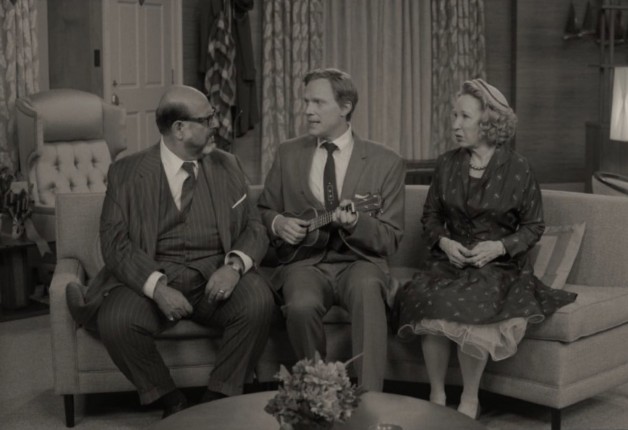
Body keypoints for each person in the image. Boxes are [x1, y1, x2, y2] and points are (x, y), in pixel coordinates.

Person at [66, 85, 275, 418]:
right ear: (179, 129)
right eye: (207, 119)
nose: (216, 125)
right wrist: (157, 287)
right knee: (116, 320)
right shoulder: (126, 173)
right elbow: (115, 243)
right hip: (153, 274)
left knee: (258, 301)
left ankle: (217, 396)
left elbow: (254, 227)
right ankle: (170, 400)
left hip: (214, 274)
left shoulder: (228, 164)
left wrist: (234, 267)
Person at [395, 79, 577, 419]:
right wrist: (445, 242)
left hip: (498, 266)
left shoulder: (519, 168)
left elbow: (534, 226)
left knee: (474, 305)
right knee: (430, 300)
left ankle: (469, 398)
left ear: (489, 121)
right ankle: (436, 396)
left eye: (464, 116)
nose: (455, 124)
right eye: (454, 115)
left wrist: (499, 247)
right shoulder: (446, 163)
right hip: (448, 262)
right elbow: (430, 216)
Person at [257, 68, 405, 392]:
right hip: (304, 264)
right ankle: (317, 393)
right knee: (300, 305)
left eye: (318, 103)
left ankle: (370, 395)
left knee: (369, 291)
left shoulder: (386, 162)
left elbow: (391, 237)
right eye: (306, 102)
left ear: (345, 107)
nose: (308, 110)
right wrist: (279, 223)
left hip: (360, 262)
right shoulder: (287, 153)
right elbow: (263, 210)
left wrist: (357, 223)